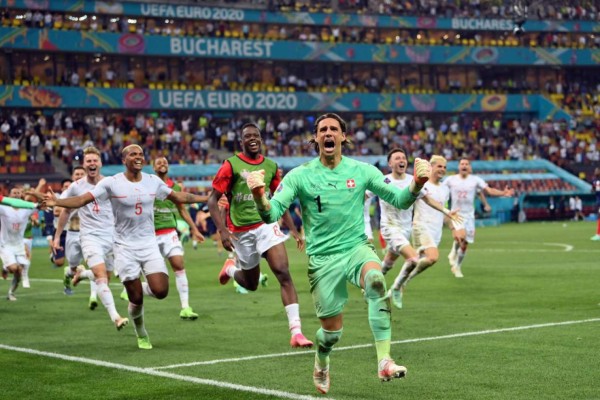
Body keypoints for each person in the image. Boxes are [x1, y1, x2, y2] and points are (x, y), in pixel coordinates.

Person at [245, 113, 432, 393]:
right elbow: (271, 214)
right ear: (316, 138)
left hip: (356, 248)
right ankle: (322, 358)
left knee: (377, 281)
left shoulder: (362, 171)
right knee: (331, 334)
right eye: (323, 130)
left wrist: (416, 183)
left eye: (334, 129)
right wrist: (260, 195)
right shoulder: (300, 175)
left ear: (343, 137)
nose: (328, 133)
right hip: (322, 260)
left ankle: (384, 360)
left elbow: (400, 200)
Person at [44, 144, 209, 350]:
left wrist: (208, 198)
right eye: (133, 154)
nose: (138, 157)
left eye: (141, 154)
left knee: (161, 290)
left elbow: (180, 197)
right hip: (123, 247)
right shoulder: (112, 184)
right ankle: (141, 333)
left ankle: (136, 292)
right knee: (136, 297)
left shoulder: (152, 181)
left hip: (148, 244)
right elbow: (82, 199)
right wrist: (57, 202)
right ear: (124, 160)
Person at [208, 122, 313, 348]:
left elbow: (280, 199)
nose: (253, 139)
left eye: (256, 135)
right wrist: (223, 231)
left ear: (261, 139)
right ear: (242, 141)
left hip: (266, 226)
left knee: (283, 272)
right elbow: (211, 200)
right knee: (251, 283)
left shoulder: (271, 166)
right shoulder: (230, 165)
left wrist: (293, 230)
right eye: (248, 136)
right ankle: (230, 269)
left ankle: (296, 332)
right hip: (240, 232)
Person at [371, 150, 461, 309]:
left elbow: (427, 199)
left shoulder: (413, 181)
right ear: (390, 164)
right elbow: (364, 196)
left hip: (406, 229)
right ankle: (397, 288)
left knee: (389, 261)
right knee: (413, 259)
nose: (401, 160)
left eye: (403, 158)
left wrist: (447, 211)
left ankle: (370, 284)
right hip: (390, 227)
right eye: (397, 158)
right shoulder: (383, 180)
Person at [51, 147, 128, 329]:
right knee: (101, 276)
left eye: (95, 160)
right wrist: (56, 236)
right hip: (89, 236)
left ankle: (82, 274)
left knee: (106, 277)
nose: (92, 164)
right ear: (84, 165)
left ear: (100, 163)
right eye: (89, 161)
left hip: (111, 237)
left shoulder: (111, 183)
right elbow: (64, 211)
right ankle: (116, 317)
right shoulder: (76, 187)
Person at [151, 156, 207, 320]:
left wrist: (195, 229)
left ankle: (185, 307)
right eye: (159, 162)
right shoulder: (147, 185)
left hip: (169, 232)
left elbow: (182, 209)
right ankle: (130, 289)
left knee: (178, 265)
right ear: (153, 168)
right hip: (150, 235)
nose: (162, 164)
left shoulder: (175, 187)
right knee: (156, 279)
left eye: (165, 162)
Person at [445, 158, 514, 278]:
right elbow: (439, 188)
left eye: (466, 164)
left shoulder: (475, 180)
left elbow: (489, 190)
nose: (464, 166)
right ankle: (453, 252)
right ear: (458, 167)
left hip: (469, 216)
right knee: (460, 236)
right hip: (456, 214)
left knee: (465, 243)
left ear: (469, 167)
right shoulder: (451, 180)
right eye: (462, 164)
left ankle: (457, 266)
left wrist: (503, 193)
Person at [0, 186, 42, 301]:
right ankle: (7, 267)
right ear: (9, 196)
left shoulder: (27, 208)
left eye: (18, 193)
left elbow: (43, 204)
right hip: (5, 245)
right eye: (14, 193)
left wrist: (34, 193)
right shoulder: (3, 208)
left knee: (19, 270)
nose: (16, 195)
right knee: (14, 268)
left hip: (19, 245)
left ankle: (11, 292)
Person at [591, 168, 600, 241]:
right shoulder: (594, 180)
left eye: (597, 170)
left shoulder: (597, 181)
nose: (595, 172)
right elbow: (594, 189)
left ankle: (598, 234)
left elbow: (596, 189)